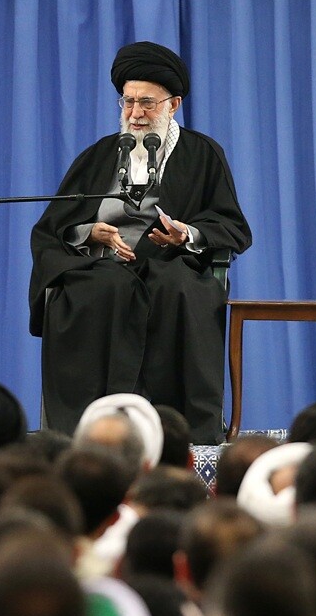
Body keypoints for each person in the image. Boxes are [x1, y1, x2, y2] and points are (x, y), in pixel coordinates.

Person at [30, 42, 251, 444]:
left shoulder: (202, 154)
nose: (135, 114)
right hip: (102, 267)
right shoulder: (98, 155)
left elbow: (231, 224)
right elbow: (53, 228)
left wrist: (186, 234)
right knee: (99, 288)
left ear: (174, 104)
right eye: (128, 102)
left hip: (170, 265)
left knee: (172, 288)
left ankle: (178, 432)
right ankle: (85, 430)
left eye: (147, 103)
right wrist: (90, 232)